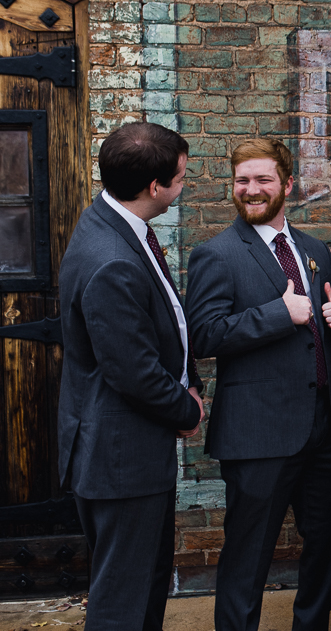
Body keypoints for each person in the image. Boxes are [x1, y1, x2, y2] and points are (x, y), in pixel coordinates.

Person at [186, 138, 331, 631]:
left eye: (263, 180)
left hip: (325, 431)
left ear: (288, 184)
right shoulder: (215, 254)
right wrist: (277, 315)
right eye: (243, 180)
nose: (251, 190)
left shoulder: (313, 249)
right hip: (258, 434)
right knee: (247, 556)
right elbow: (203, 335)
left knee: (326, 547)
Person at [58, 121, 203, 631]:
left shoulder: (113, 225)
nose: (184, 185)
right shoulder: (112, 260)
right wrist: (186, 409)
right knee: (123, 601)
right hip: (122, 460)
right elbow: (133, 371)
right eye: (181, 177)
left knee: (143, 588)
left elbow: (163, 324)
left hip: (125, 454)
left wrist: (189, 384)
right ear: (154, 188)